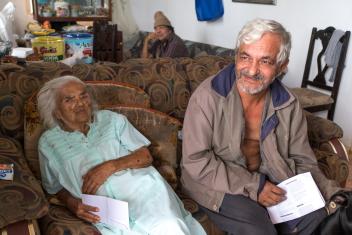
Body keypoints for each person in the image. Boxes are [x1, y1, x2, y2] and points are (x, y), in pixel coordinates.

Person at [181, 18, 344, 235]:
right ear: (236, 56)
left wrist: (332, 192)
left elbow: (303, 159)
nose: (251, 70)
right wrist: (255, 187)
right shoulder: (208, 97)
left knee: (317, 217)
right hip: (214, 181)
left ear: (281, 66)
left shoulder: (287, 103)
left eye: (265, 61)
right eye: (245, 57)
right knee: (258, 228)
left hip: (267, 175)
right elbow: (196, 161)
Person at [37, 75, 206, 235]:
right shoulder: (49, 143)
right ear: (56, 111)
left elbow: (145, 157)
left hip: (145, 191)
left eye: (83, 96)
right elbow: (54, 187)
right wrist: (72, 203)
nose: (80, 103)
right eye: (69, 99)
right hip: (107, 211)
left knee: (169, 227)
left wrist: (109, 167)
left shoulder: (112, 120)